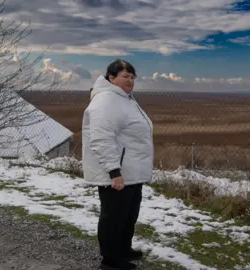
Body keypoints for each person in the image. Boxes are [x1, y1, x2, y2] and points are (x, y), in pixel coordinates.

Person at [81, 59, 154, 270]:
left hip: (131, 172)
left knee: (128, 214)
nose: (130, 80)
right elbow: (101, 138)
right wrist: (114, 171)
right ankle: (111, 260)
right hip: (117, 173)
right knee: (114, 217)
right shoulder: (106, 100)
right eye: (125, 76)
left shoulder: (125, 99)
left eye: (132, 77)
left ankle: (123, 249)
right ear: (111, 78)